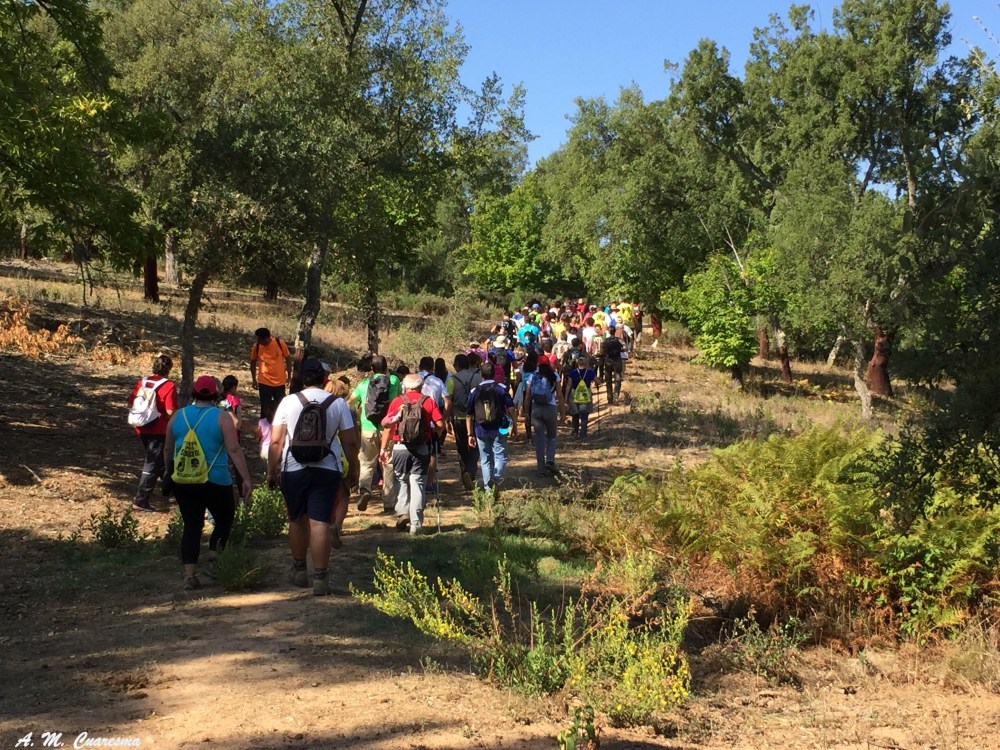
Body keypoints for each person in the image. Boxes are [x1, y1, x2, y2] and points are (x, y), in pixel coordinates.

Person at [267, 358, 360, 596]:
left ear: (301, 378)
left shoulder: (288, 402)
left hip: (293, 468)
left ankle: (299, 569)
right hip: (327, 468)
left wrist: (271, 469)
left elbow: (276, 440)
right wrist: (353, 468)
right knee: (320, 522)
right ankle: (320, 577)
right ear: (325, 379)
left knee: (297, 519)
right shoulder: (337, 403)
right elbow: (349, 440)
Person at [164, 375, 253, 590]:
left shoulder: (178, 416)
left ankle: (189, 576)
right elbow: (233, 449)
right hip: (215, 480)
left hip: (184, 480)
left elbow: (168, 449)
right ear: (216, 394)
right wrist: (246, 478)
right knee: (224, 519)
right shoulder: (222, 417)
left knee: (192, 525)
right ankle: (213, 558)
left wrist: (169, 472)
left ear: (194, 393)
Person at [379, 373, 445, 535]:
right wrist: (434, 433)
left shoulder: (397, 401)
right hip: (421, 448)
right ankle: (416, 525)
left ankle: (403, 512)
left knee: (400, 480)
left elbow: (388, 426)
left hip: (400, 447)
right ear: (420, 386)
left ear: (405, 387)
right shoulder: (427, 401)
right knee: (418, 484)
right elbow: (440, 423)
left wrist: (383, 448)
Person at [347, 355, 400, 513]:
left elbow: (350, 403)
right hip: (387, 428)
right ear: (386, 367)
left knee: (366, 462)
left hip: (368, 427)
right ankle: (389, 501)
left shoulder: (364, 384)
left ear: (371, 369)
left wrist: (358, 416)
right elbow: (398, 402)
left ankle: (365, 490)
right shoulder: (394, 381)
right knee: (388, 463)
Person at [127, 353, 178, 512]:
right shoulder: (168, 386)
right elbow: (170, 410)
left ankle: (172, 490)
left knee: (161, 460)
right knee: (153, 463)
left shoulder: (141, 382)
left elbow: (131, 403)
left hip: (141, 427)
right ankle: (141, 500)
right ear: (169, 369)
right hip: (159, 429)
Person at [465, 362, 517, 496]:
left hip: (480, 429)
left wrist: (470, 434)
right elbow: (511, 408)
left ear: (481, 374)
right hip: (500, 428)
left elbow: (469, 414)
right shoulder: (501, 388)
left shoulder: (475, 391)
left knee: (485, 459)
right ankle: (494, 479)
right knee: (501, 457)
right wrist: (514, 424)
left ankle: (489, 492)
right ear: (494, 373)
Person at [525, 356, 567, 476]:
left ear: (538, 365)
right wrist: (563, 413)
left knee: (539, 439)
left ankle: (540, 470)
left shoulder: (532, 377)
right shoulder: (554, 376)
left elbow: (527, 396)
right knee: (552, 436)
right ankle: (550, 460)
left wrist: (526, 413)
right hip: (550, 408)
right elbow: (559, 395)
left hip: (536, 409)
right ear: (548, 364)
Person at [447, 353, 482, 492]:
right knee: (475, 446)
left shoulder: (452, 380)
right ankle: (471, 472)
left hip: (458, 419)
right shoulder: (478, 378)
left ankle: (464, 473)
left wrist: (447, 419)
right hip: (476, 418)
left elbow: (448, 401)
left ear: (457, 365)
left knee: (461, 446)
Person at [250, 327, 293, 416]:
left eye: (260, 339)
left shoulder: (279, 343)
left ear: (266, 337)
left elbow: (288, 359)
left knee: (281, 408)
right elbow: (253, 362)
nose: (258, 341)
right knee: (265, 408)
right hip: (264, 382)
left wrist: (289, 377)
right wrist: (254, 379)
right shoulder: (257, 347)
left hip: (279, 383)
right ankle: (264, 427)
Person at [567, 356, 597, 439]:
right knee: (584, 414)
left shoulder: (573, 372)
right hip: (586, 394)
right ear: (586, 363)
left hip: (574, 393)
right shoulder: (590, 372)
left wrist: (566, 396)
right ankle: (583, 434)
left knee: (575, 414)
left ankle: (574, 432)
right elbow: (598, 381)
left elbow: (569, 384)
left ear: (577, 364)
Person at [603, 324, 626, 404]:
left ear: (609, 331)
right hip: (617, 361)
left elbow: (602, 351)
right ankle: (616, 396)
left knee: (608, 380)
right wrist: (620, 350)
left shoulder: (605, 340)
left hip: (608, 361)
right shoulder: (619, 340)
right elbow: (625, 348)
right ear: (615, 331)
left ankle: (609, 398)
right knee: (618, 379)